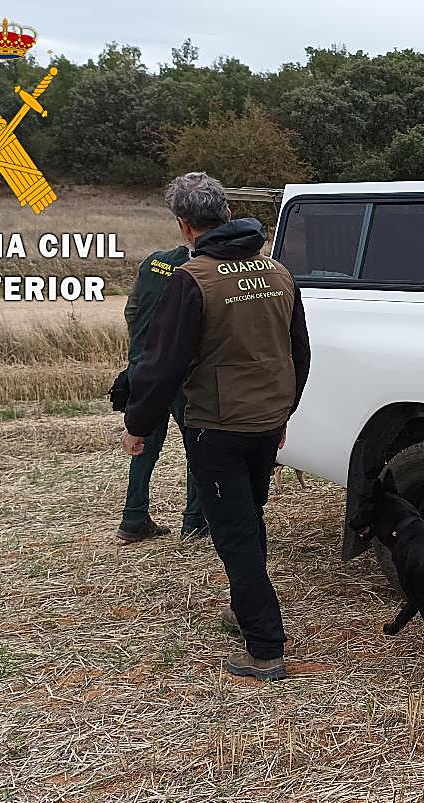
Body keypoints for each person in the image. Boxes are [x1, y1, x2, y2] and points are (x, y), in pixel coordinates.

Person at [122, 172, 310, 681]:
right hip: (268, 421)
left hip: (218, 426)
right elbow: (299, 353)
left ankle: (265, 647)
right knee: (248, 515)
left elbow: (163, 366)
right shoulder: (277, 272)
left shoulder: (193, 278)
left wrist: (138, 423)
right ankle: (244, 607)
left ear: (185, 226)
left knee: (234, 532)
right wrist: (285, 412)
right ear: (227, 214)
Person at [117, 244, 208, 543]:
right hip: (180, 375)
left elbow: (131, 311)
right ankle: (194, 522)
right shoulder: (200, 269)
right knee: (196, 445)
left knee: (142, 445)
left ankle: (133, 518)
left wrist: (141, 354)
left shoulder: (153, 263)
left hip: (143, 371)